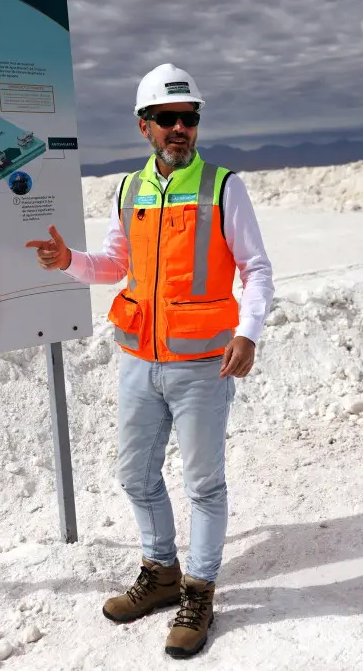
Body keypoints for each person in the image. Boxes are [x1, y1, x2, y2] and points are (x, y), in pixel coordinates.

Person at [25, 63, 274, 659]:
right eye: (168, 119)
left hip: (203, 365)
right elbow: (116, 266)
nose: (180, 128)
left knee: (203, 484)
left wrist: (249, 331)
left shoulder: (222, 185)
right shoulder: (129, 190)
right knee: (134, 475)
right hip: (139, 359)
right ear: (145, 125)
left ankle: (199, 589)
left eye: (189, 118)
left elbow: (256, 268)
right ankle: (161, 573)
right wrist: (68, 261)